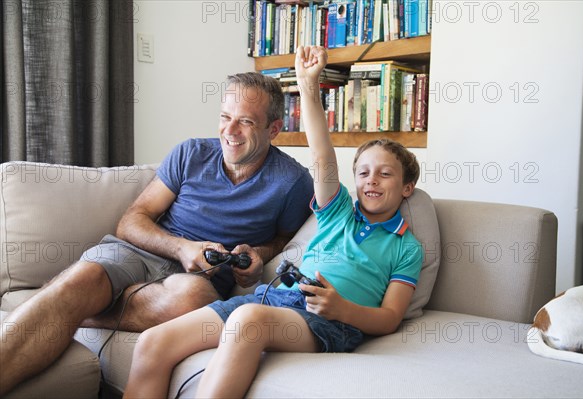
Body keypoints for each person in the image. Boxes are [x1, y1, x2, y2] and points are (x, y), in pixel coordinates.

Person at [122, 45, 424, 398]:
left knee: (248, 321)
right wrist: (308, 87)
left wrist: (343, 308)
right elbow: (321, 154)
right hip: (274, 300)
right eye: (363, 172)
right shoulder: (338, 210)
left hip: (329, 322)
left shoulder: (407, 247)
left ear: (407, 187)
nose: (371, 180)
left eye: (385, 174)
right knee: (154, 342)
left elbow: (389, 318)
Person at [0, 72, 314, 396]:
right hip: (140, 254)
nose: (229, 131)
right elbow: (132, 220)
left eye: (245, 122)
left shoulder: (292, 182)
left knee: (193, 300)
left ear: (273, 128)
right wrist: (181, 248)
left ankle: (74, 309)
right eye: (224, 117)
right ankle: (71, 301)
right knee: (81, 280)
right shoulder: (190, 154)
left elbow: (282, 241)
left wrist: (258, 256)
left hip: (201, 278)